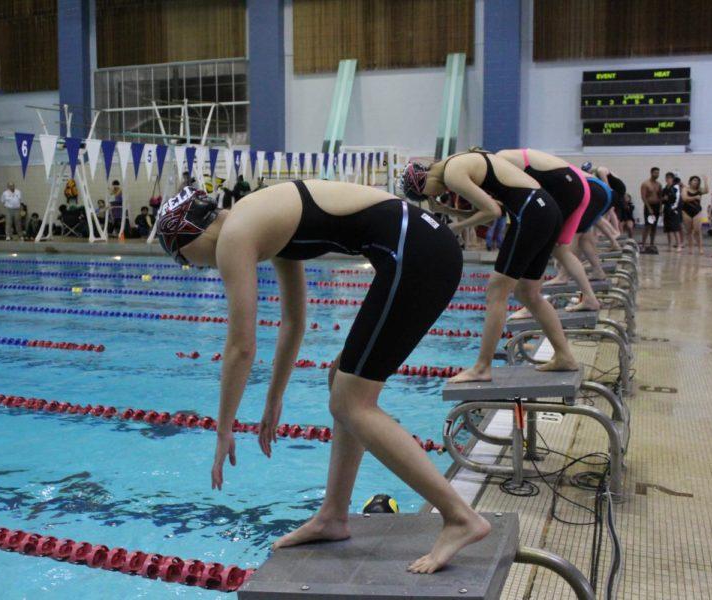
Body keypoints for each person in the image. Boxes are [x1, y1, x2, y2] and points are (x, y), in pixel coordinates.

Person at [156, 181, 490, 574]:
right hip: (420, 248)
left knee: (352, 401)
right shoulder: (259, 222)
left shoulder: (235, 235)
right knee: (341, 381)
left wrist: (223, 429)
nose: (192, 266)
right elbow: (294, 321)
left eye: (181, 258)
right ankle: (333, 516)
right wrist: (273, 398)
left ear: (187, 235)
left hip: (416, 253)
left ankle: (460, 517)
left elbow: (240, 347)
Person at [404, 153, 578, 385]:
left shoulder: (452, 173)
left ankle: (482, 368)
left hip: (531, 213)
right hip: (546, 209)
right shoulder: (456, 162)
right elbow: (492, 208)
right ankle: (565, 356)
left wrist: (454, 228)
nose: (436, 196)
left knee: (496, 292)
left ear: (424, 182)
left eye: (429, 195)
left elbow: (492, 214)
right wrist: (450, 212)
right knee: (527, 293)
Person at [495, 148, 600, 313]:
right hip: (577, 186)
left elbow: (516, 202)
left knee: (540, 243)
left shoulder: (499, 161)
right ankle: (589, 298)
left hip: (568, 186)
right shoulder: (506, 158)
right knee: (559, 250)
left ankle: (530, 302)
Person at [682, 175, 708, 255]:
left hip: (697, 211)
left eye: (697, 181)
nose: (696, 182)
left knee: (697, 230)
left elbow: (706, 191)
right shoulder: (685, 189)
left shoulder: (699, 190)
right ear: (690, 181)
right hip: (686, 212)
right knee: (689, 231)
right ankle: (690, 248)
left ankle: (700, 248)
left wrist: (706, 181)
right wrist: (695, 197)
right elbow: (684, 198)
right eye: (694, 180)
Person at [640, 167, 662, 252]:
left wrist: (660, 208)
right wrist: (649, 208)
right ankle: (643, 244)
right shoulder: (645, 184)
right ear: (651, 173)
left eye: (658, 173)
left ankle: (652, 244)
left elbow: (660, 197)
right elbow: (643, 197)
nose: (657, 174)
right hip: (649, 206)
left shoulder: (659, 184)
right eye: (655, 173)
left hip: (656, 206)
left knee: (654, 227)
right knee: (648, 226)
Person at [661, 172, 684, 250]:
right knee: (668, 229)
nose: (667, 180)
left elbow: (677, 199)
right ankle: (669, 245)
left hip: (674, 210)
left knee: (675, 228)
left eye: (669, 178)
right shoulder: (665, 188)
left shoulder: (675, 188)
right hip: (666, 209)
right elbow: (662, 199)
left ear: (672, 179)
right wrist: (663, 201)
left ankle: (679, 245)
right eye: (666, 178)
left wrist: (673, 208)